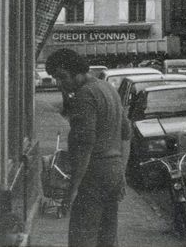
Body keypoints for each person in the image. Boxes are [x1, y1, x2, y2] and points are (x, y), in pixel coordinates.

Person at [46, 48, 131, 247]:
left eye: (62, 77)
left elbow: (85, 146)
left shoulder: (84, 96)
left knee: (81, 238)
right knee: (107, 237)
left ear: (78, 72)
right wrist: (122, 172)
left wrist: (73, 190)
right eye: (55, 78)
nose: (59, 83)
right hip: (112, 171)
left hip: (92, 174)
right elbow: (127, 134)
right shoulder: (109, 89)